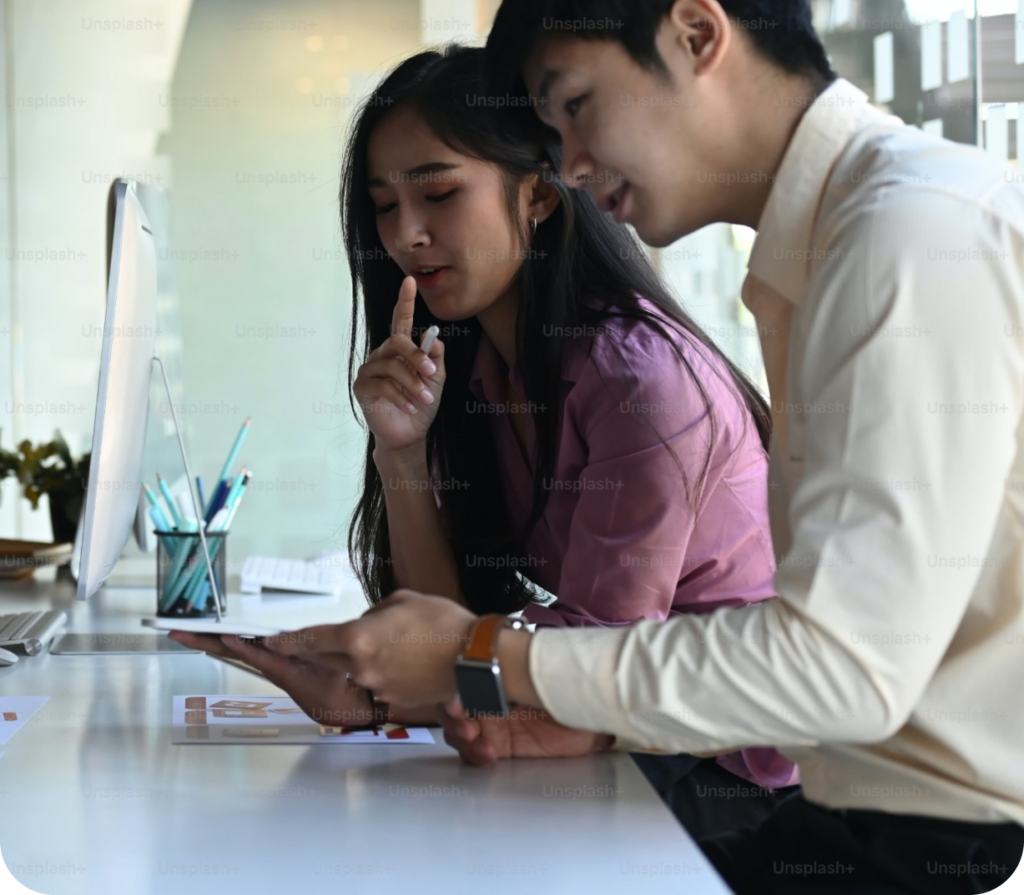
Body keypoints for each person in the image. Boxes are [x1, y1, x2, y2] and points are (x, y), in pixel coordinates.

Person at [181, 0, 1024, 892]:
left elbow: (840, 668)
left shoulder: (905, 239)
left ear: (697, 35)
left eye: (576, 106)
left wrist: (482, 660)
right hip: (864, 814)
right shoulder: (828, 253)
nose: (571, 164)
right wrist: (441, 668)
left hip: (938, 841)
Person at [173, 43, 798, 838]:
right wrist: (402, 452)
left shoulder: (637, 383)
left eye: (438, 194)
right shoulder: (486, 371)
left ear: (538, 195)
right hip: (627, 740)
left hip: (738, 778)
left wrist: (390, 699)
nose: (406, 234)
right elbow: (459, 626)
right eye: (384, 207)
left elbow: (598, 670)